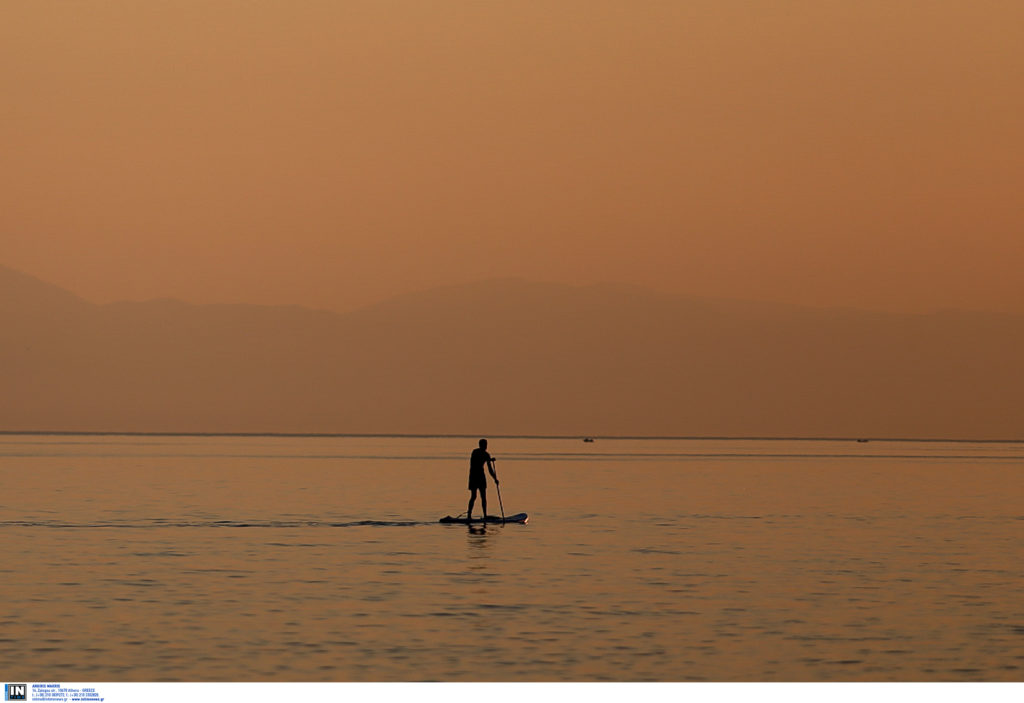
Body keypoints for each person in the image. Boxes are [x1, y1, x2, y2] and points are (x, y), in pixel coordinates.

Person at [467, 438, 498, 521]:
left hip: (481, 476)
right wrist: (489, 460)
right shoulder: (475, 452)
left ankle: (485, 515)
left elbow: (490, 469)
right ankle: (469, 515)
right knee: (474, 496)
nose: (485, 447)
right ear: (480, 445)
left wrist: (495, 479)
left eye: (486, 445)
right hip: (474, 476)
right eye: (484, 445)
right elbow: (475, 462)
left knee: (483, 497)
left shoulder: (486, 455)